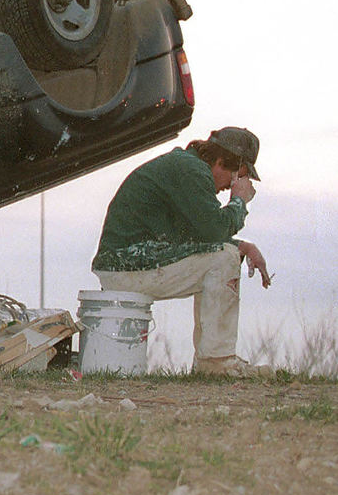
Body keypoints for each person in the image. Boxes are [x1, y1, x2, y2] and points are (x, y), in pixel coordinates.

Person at [91, 127, 272, 377]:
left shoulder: (185, 167)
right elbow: (213, 229)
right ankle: (215, 361)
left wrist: (242, 246)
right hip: (127, 267)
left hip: (124, 265)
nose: (230, 186)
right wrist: (238, 201)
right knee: (224, 258)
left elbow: (197, 236)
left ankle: (213, 359)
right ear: (221, 162)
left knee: (225, 253)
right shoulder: (192, 171)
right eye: (235, 177)